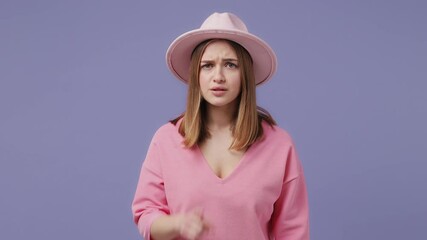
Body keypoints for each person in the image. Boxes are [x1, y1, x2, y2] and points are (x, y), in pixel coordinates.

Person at [132, 12, 310, 240]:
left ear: (245, 73)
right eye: (207, 65)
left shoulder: (279, 144)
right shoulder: (166, 140)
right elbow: (146, 214)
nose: (218, 76)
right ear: (196, 74)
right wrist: (175, 224)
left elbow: (293, 232)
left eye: (230, 65)